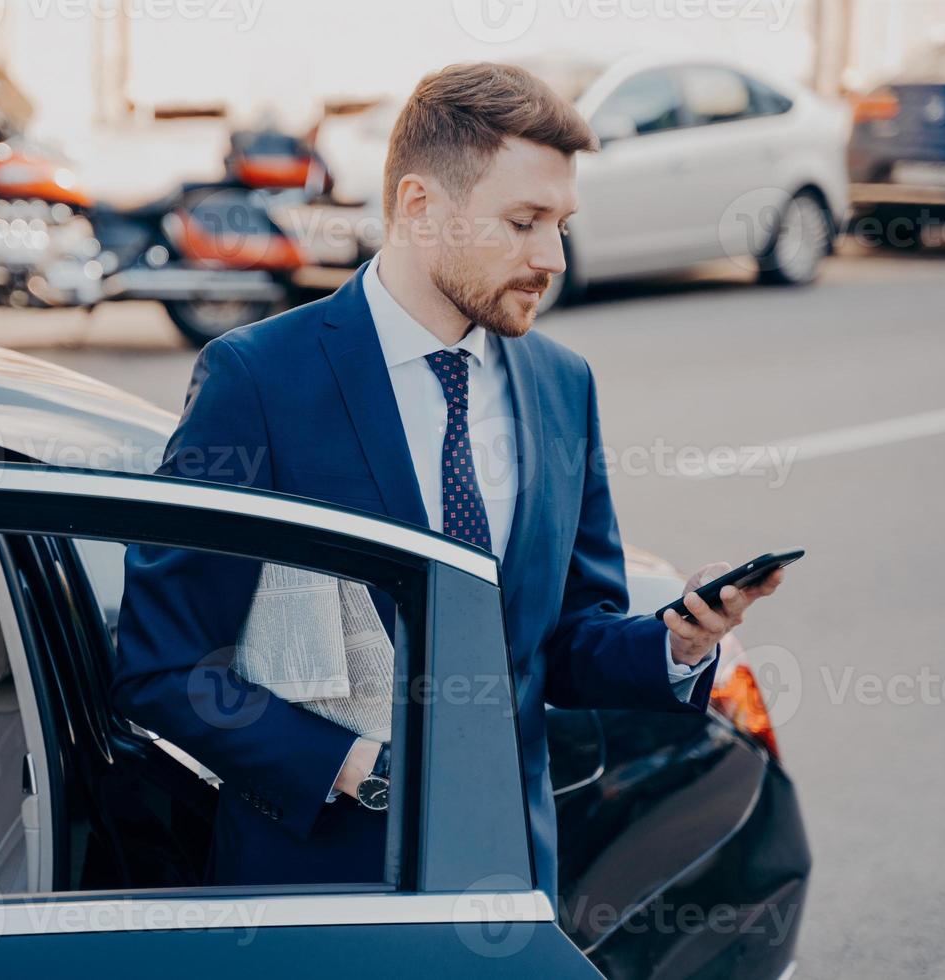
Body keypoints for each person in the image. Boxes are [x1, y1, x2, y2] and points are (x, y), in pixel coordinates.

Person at [113, 61, 785, 901]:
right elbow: (164, 666)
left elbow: (565, 641)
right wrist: (357, 769)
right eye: (524, 222)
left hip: (511, 876)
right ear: (418, 206)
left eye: (561, 224)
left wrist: (678, 644)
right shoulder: (258, 381)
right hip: (317, 890)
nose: (552, 257)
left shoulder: (561, 384)